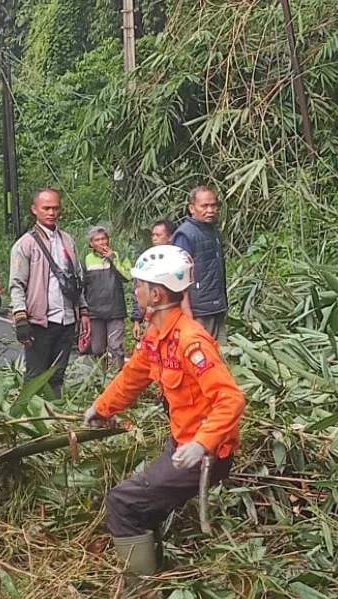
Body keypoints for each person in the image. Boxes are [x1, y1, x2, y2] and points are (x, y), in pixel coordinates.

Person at [84, 245, 245, 576]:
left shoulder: (190, 341)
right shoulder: (157, 335)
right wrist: (101, 408)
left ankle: (140, 591)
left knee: (122, 503)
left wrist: (203, 442)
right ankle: (156, 566)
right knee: (140, 505)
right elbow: (132, 377)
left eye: (139, 285)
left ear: (155, 294)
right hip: (179, 444)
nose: (135, 291)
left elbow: (230, 398)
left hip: (202, 454)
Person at [9, 188, 91, 398]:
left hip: (66, 320)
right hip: (39, 322)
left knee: (57, 376)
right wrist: (21, 318)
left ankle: (54, 418)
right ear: (34, 210)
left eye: (55, 208)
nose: (51, 212)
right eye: (46, 208)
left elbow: (76, 279)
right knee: (35, 376)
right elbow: (17, 284)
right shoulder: (25, 244)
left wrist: (83, 311)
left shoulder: (67, 241)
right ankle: (29, 421)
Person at [172, 187, 228, 345]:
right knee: (201, 357)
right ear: (192, 208)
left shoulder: (213, 231)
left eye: (213, 205)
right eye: (204, 206)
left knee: (220, 356)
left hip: (217, 306)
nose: (210, 210)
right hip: (198, 311)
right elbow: (179, 277)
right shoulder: (185, 234)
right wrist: (186, 312)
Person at [83, 225, 133, 369]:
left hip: (115, 309)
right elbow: (82, 284)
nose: (101, 242)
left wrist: (112, 259)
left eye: (104, 239)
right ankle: (100, 379)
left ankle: (118, 379)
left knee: (115, 346)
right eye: (97, 240)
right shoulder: (86, 259)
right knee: (97, 348)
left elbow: (128, 277)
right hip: (95, 311)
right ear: (91, 244)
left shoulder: (118, 256)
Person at [132, 220, 174, 341]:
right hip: (151, 315)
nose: (154, 239)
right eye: (153, 235)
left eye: (158, 235)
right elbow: (138, 290)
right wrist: (136, 320)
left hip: (172, 313)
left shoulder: (178, 260)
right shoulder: (147, 260)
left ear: (170, 237)